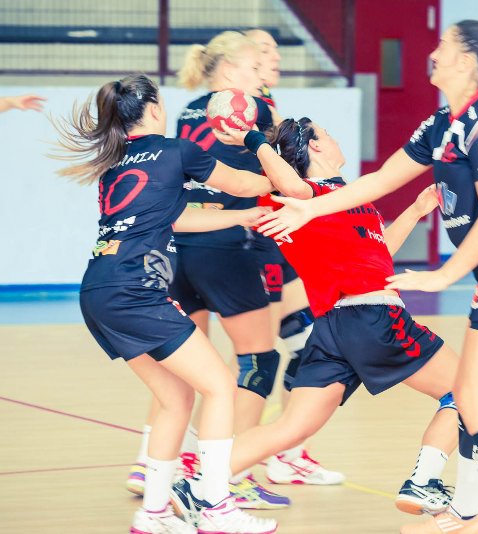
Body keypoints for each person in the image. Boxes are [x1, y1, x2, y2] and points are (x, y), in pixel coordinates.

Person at [256, 19, 478, 534]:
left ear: (468, 61)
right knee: (469, 400)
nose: (435, 51)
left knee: (477, 403)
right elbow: (380, 179)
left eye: (446, 44)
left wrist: (443, 276)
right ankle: (463, 512)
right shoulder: (441, 124)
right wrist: (308, 210)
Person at [169, 117, 460, 524]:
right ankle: (424, 481)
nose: (335, 137)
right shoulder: (305, 197)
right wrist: (254, 138)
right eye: (328, 133)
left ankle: (199, 486)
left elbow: (377, 260)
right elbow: (291, 186)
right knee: (467, 390)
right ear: (316, 149)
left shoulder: (348, 198)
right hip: (374, 318)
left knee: (293, 427)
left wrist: (413, 212)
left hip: (333, 330)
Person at [52, 74, 280, 534]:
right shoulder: (178, 150)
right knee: (220, 385)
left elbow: (175, 217)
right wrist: (263, 146)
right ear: (154, 110)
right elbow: (240, 183)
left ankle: (153, 513)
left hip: (100, 290)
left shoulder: (115, 162)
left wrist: (246, 218)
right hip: (137, 291)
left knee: (176, 397)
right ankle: (215, 506)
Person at [125, 30, 296, 511]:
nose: (259, 74)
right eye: (252, 66)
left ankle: (148, 459)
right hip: (226, 246)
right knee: (259, 360)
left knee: (181, 362)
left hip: (181, 246)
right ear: (229, 71)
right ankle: (229, 473)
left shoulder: (188, 110)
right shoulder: (252, 108)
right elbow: (289, 157)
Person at [244, 27, 343, 485]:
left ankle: (286, 451)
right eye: (264, 49)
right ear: (243, 58)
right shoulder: (249, 106)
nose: (275, 55)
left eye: (275, 47)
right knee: (274, 352)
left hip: (280, 235)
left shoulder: (265, 103)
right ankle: (235, 459)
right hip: (265, 239)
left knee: (301, 343)